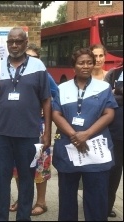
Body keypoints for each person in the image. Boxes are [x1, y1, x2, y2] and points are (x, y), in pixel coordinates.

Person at [0, 27, 52, 221]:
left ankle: (24, 217)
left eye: (18, 41)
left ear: (25, 42)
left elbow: (46, 100)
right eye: (10, 42)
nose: (14, 45)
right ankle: (1, 217)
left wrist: (47, 131)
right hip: (1, 133)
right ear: (7, 44)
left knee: (26, 178)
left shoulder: (38, 66)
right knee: (0, 179)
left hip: (29, 133)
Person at [52, 48, 117, 221]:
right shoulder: (62, 88)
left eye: (89, 62)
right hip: (69, 148)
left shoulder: (103, 87)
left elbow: (109, 114)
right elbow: (56, 114)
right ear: (74, 66)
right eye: (81, 63)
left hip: (95, 150)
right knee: (66, 197)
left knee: (97, 198)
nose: (86, 66)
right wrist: (74, 135)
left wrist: (86, 134)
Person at [9, 43, 58, 216]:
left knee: (39, 165)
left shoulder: (44, 74)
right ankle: (23, 199)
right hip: (16, 127)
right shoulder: (13, 72)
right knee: (18, 165)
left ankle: (41, 201)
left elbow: (54, 96)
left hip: (37, 126)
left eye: (34, 57)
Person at [104, 62, 123, 218]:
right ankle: (106, 206)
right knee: (114, 171)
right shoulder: (114, 73)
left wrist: (117, 92)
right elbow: (107, 98)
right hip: (117, 132)